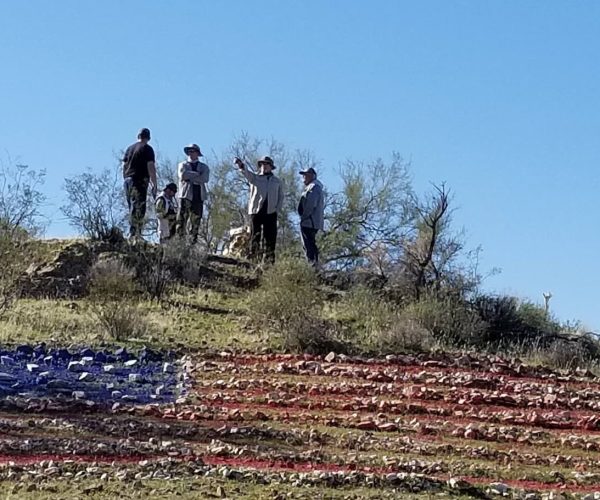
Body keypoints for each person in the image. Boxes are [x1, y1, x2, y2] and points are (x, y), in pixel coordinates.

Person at [234, 155, 284, 264]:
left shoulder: (277, 181)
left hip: (270, 212)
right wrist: (241, 165)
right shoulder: (255, 178)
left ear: (271, 166)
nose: (264, 166)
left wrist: (277, 209)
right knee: (254, 235)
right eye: (262, 164)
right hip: (256, 211)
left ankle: (269, 262)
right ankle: (253, 259)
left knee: (270, 238)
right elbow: (245, 173)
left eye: (266, 164)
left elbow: (281, 197)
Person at [122, 128, 157, 240]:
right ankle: (135, 234)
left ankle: (134, 232)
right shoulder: (147, 149)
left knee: (131, 206)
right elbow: (150, 166)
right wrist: (154, 183)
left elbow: (123, 165)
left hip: (128, 180)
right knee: (139, 206)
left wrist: (125, 177)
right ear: (148, 138)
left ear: (138, 136)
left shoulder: (129, 149)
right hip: (139, 180)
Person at [177, 144, 209, 243]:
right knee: (182, 220)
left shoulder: (204, 167)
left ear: (197, 153)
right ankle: (179, 242)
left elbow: (205, 178)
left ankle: (192, 243)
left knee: (196, 221)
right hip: (185, 195)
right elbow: (183, 175)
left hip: (199, 196)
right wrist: (197, 174)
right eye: (189, 151)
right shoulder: (182, 165)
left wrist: (190, 176)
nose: (191, 153)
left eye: (193, 151)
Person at [297, 167, 324, 266]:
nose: (304, 177)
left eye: (306, 175)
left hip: (309, 222)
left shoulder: (314, 187)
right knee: (310, 244)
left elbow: (311, 204)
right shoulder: (314, 187)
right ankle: (314, 265)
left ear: (312, 176)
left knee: (308, 245)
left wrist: (304, 217)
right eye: (303, 175)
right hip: (311, 221)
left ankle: (312, 266)